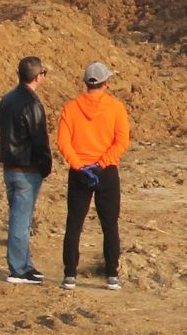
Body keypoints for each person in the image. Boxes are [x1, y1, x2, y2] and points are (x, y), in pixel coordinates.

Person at [56, 60, 133, 292]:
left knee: (74, 224)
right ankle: (112, 275)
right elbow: (122, 141)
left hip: (79, 173)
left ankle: (69, 275)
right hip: (106, 173)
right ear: (106, 82)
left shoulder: (70, 108)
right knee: (110, 225)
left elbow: (62, 142)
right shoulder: (116, 107)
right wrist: (101, 164)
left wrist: (80, 166)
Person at [0, 57, 53, 285]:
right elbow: (40, 139)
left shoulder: (7, 99)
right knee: (20, 220)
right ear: (38, 76)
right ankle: (18, 270)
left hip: (9, 166)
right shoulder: (32, 104)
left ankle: (25, 265)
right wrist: (45, 165)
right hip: (26, 169)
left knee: (22, 218)